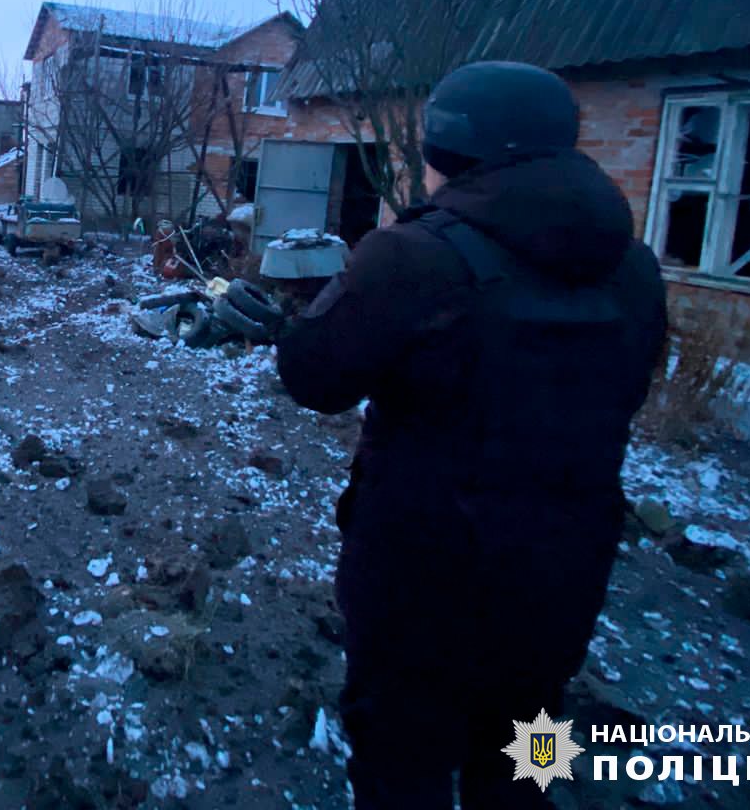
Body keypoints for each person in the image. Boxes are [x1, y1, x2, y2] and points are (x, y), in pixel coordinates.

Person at [275, 61, 667, 809]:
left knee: (400, 761)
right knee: (531, 754)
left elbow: (312, 377)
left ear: (447, 152)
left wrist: (312, 307)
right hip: (564, 579)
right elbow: (629, 389)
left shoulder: (412, 255)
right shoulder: (636, 270)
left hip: (421, 580)